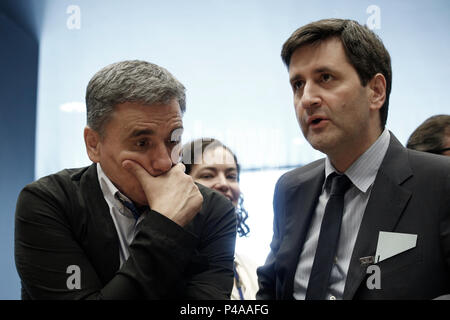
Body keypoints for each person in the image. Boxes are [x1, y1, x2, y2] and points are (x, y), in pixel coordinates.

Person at [257, 18, 450, 300]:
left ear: (376, 91)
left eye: (325, 78)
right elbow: (269, 292)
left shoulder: (440, 183)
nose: (307, 98)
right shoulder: (290, 189)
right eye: (298, 84)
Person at [14, 60, 237, 299]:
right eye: (142, 143)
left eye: (173, 140)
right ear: (94, 144)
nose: (165, 161)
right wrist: (165, 226)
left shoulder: (213, 210)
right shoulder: (50, 203)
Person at [181, 138, 259, 300]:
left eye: (231, 176)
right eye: (208, 175)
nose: (224, 184)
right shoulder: (167, 264)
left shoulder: (253, 269)